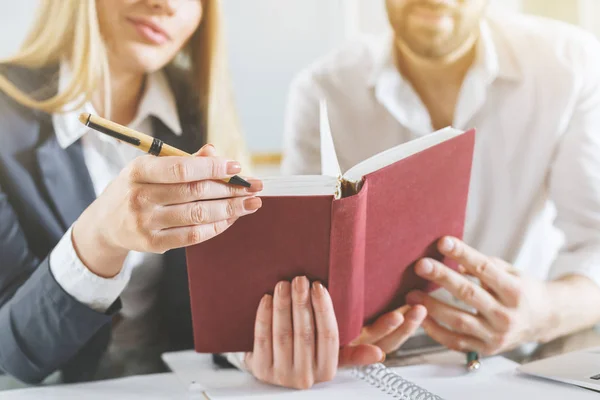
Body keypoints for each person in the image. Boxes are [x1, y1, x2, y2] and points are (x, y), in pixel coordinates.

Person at [0, 0, 423, 390]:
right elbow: (12, 352)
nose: (164, 5)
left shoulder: (197, 110)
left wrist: (250, 352)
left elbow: (217, 296)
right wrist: (98, 237)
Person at [282, 0, 600, 358]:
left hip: (525, 358)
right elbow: (299, 264)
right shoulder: (322, 91)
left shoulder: (570, 65)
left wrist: (543, 312)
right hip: (370, 364)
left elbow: (596, 239)